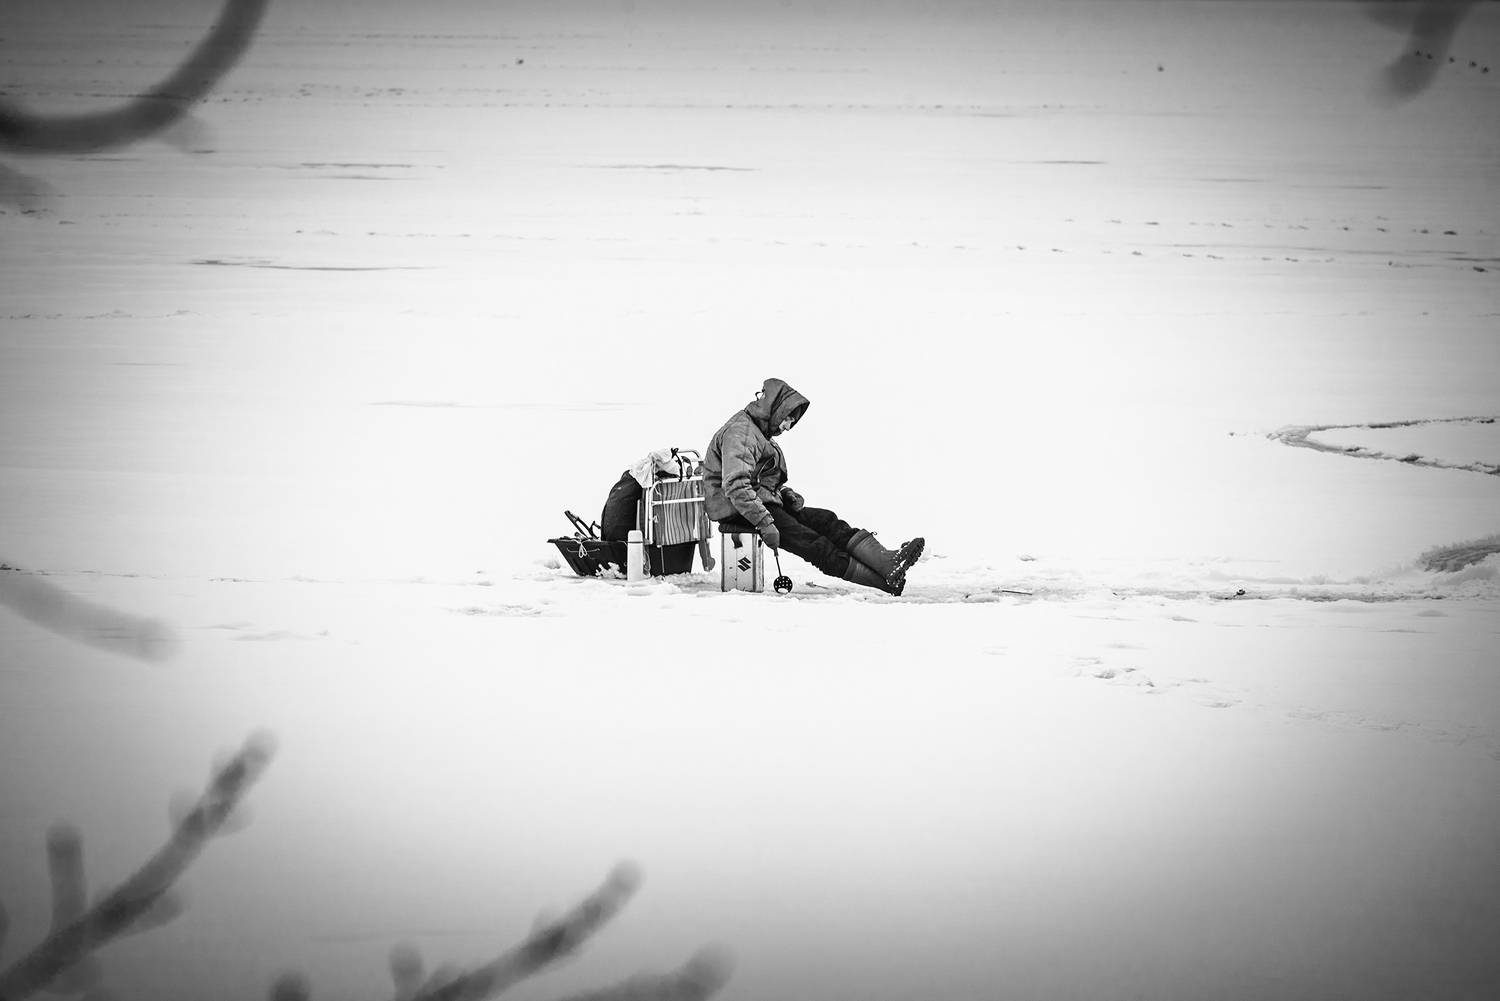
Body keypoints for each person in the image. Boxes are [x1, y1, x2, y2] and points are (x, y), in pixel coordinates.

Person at [702, 378, 923, 595]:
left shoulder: (759, 432)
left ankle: (886, 563)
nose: (788, 427)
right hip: (737, 510)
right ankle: (882, 581)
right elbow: (736, 485)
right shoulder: (742, 433)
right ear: (776, 410)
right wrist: (765, 522)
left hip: (756, 503)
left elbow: (759, 480)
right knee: (811, 542)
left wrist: (784, 494)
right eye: (787, 419)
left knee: (826, 520)